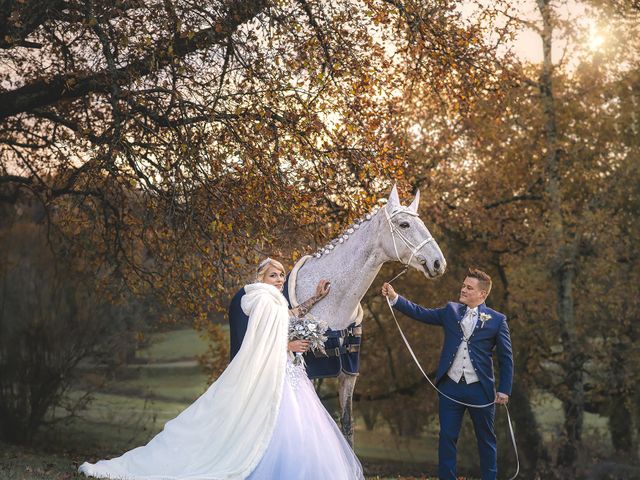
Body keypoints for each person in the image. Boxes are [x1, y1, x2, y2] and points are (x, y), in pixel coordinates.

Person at [79, 258, 364, 479]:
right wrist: (288, 347)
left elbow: (288, 317)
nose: (279, 279)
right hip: (278, 366)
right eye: (273, 275)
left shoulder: (272, 300)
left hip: (286, 371)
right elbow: (259, 339)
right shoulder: (263, 298)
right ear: (260, 277)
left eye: (281, 275)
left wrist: (316, 297)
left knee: (297, 425)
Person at [381, 267, 513, 480]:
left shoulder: (497, 320)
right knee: (447, 438)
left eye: (469, 288)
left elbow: (506, 358)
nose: (463, 289)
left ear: (482, 294)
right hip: (450, 387)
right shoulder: (450, 311)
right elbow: (421, 313)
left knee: (486, 440)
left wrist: (505, 390)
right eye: (463, 285)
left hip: (480, 389)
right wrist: (396, 298)